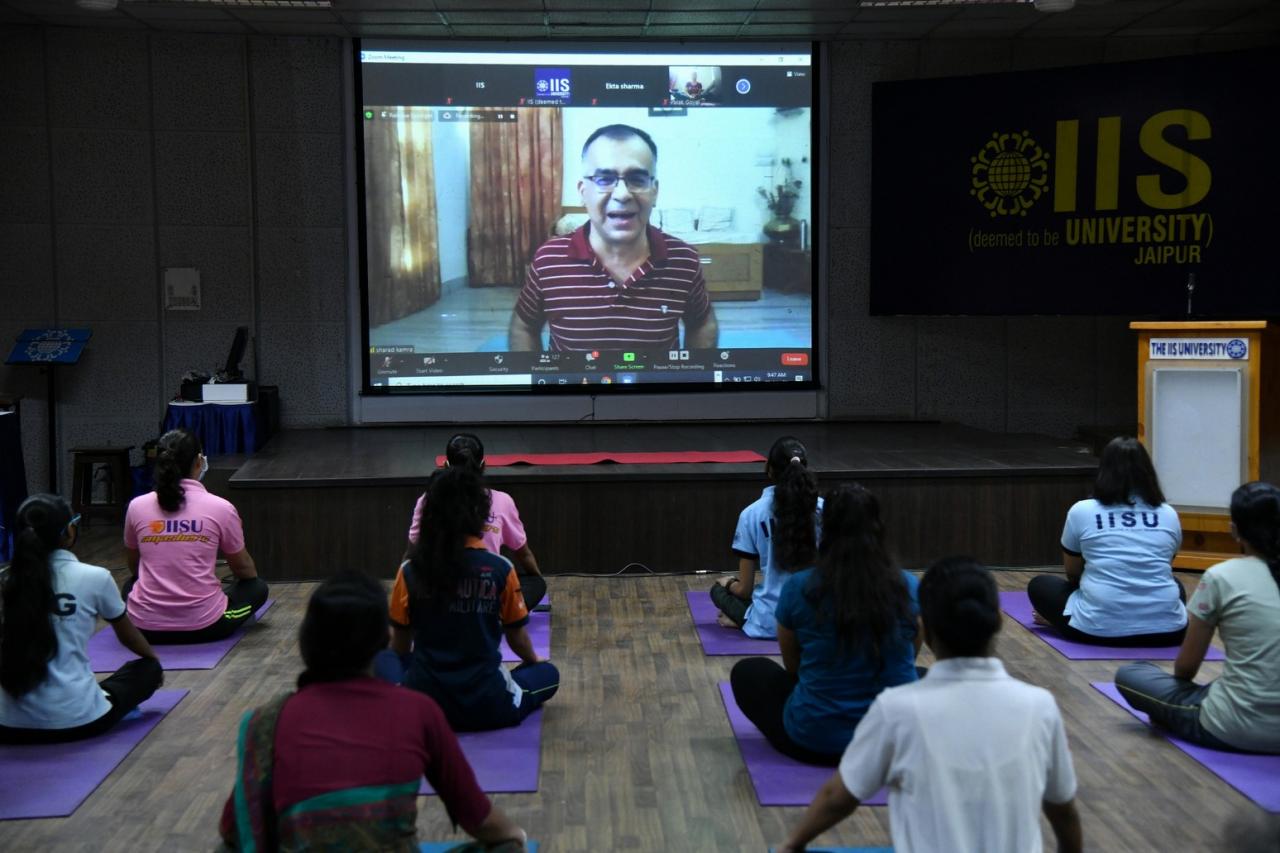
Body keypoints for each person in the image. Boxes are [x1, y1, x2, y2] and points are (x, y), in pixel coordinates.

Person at [779, 557, 1083, 853]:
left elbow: (838, 798)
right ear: (999, 621)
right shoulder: (1040, 706)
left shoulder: (896, 708)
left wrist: (793, 844)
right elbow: (1064, 810)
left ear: (924, 629)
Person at [218, 571, 527, 852]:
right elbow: (478, 818)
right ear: (383, 641)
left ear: (306, 639)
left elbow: (233, 830)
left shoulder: (265, 721)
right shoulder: (418, 710)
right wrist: (516, 836)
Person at [730, 483, 921, 766]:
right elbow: (911, 651)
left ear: (825, 529)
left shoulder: (799, 587)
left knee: (748, 672)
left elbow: (794, 666)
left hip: (815, 742)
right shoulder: (908, 585)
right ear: (878, 527)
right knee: (922, 675)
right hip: (891, 745)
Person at [507, 124, 718, 353]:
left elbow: (702, 324)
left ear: (654, 191)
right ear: (583, 192)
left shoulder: (684, 260)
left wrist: (692, 371)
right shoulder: (549, 259)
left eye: (637, 179)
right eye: (604, 179)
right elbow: (524, 326)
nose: (622, 194)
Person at [1114, 481, 1280, 753]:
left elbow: (1186, 668)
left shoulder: (1222, 576)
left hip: (1233, 728)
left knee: (1131, 674)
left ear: (1234, 530)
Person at [389, 466, 559, 731]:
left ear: (430, 515)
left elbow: (400, 648)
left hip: (426, 703)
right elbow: (518, 641)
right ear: (479, 513)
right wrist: (533, 662)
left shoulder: (409, 572)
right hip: (488, 703)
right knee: (549, 674)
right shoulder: (501, 568)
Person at [0, 494, 163, 744]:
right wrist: (154, 662)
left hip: (7, 726)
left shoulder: (6, 580)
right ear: (68, 532)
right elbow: (129, 636)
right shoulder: (95, 576)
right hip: (78, 721)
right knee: (147, 670)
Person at [1028, 436, 1187, 646]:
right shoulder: (1168, 513)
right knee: (1175, 585)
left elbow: (1073, 573)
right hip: (1170, 633)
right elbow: (1165, 564)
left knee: (1039, 585)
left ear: (1103, 470)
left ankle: (1059, 620)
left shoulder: (1082, 510)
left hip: (1095, 630)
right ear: (1148, 472)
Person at [123, 428, 268, 644]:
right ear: (199, 461)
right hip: (207, 626)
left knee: (130, 585)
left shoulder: (136, 506)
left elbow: (135, 567)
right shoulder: (221, 507)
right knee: (257, 588)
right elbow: (244, 570)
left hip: (144, 628)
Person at [408, 433, 546, 610]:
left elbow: (411, 553)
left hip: (442, 593)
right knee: (533, 583)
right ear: (483, 465)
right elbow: (524, 554)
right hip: (484, 595)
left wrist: (404, 587)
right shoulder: (502, 501)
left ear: (446, 465)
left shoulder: (428, 500)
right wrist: (537, 581)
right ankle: (496, 613)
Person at [711, 436, 820, 638]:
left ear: (769, 468)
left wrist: (728, 582)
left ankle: (742, 619)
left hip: (769, 622)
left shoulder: (751, 514)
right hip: (816, 620)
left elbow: (744, 590)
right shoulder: (825, 509)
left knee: (717, 590)